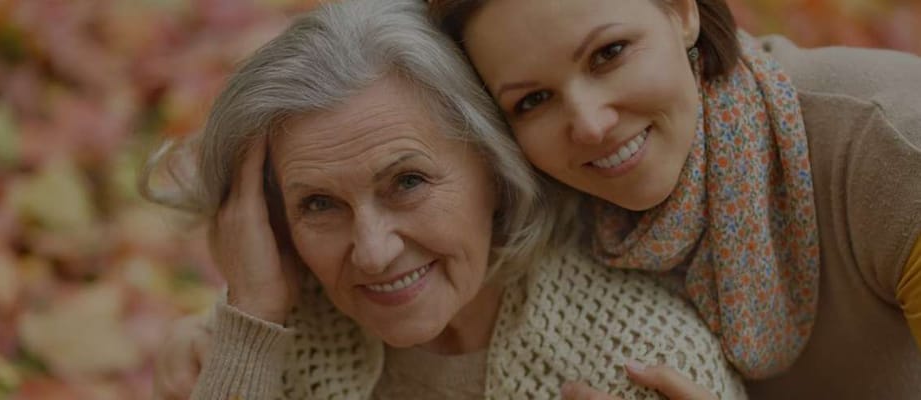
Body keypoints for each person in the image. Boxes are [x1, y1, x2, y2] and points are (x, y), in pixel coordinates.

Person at [141, 0, 749, 399]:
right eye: (319, 205)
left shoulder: (644, 359)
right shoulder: (265, 344)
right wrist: (246, 329)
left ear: (495, 164)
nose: (373, 253)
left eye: (407, 182)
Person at [427, 0, 921, 398]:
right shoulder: (557, 217)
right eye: (532, 101)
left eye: (609, 52)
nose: (590, 124)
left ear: (682, 13)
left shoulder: (895, 149)